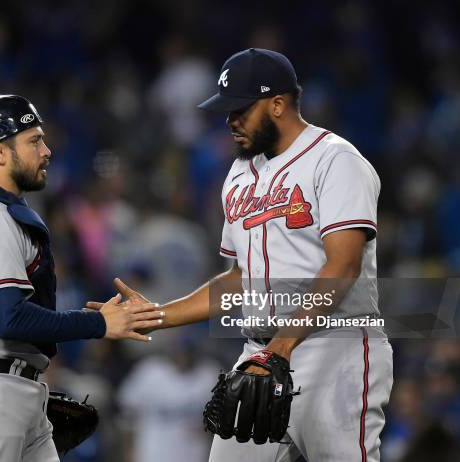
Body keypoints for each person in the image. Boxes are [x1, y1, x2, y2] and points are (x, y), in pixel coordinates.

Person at [89, 49, 393, 461]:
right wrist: (158, 316)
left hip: (334, 349)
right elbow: (238, 278)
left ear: (279, 104)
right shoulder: (238, 174)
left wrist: (280, 350)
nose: (230, 121)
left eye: (240, 110)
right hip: (260, 353)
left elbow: (343, 266)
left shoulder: (335, 160)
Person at [0, 94, 163, 462]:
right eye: (33, 140)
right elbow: (9, 318)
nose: (46, 151)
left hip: (2, 387)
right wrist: (98, 323)